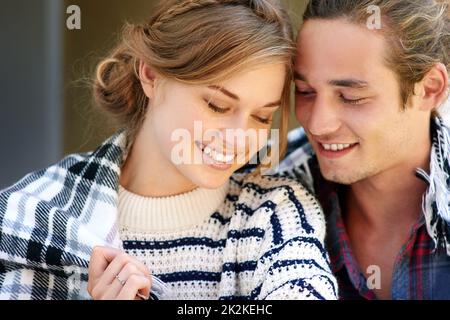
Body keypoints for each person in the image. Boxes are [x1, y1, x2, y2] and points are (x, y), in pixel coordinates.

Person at [0, 0, 337, 300]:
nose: (239, 139)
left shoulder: (275, 213)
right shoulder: (31, 214)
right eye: (216, 105)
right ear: (151, 74)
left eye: (261, 116)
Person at [278, 0, 450, 299]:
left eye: (350, 97)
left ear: (429, 89)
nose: (317, 125)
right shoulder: (261, 183)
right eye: (305, 92)